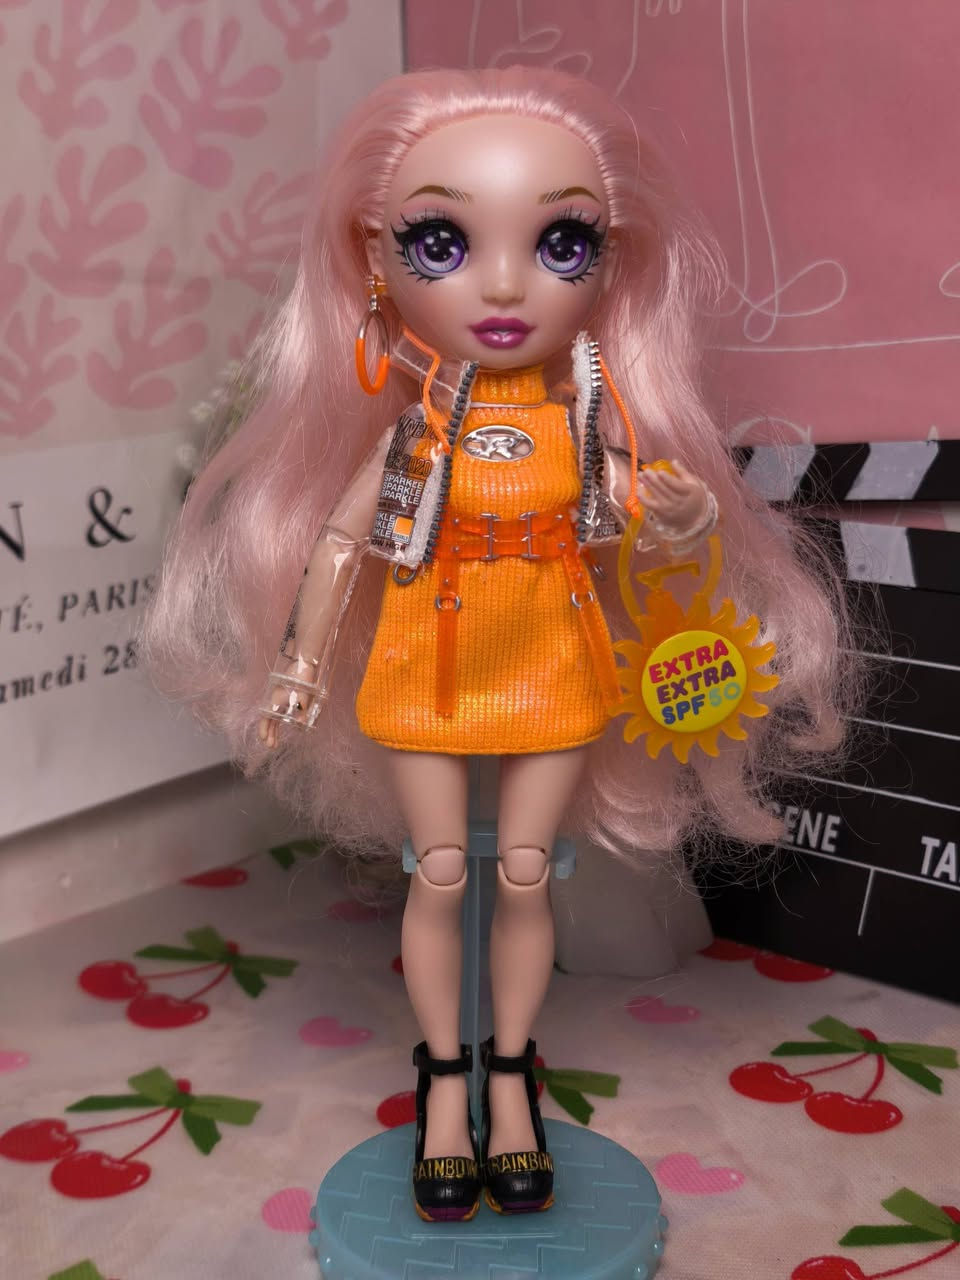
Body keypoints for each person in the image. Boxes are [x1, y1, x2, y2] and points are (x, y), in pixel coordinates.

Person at [143, 67, 852, 1223]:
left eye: (563, 242)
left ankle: (511, 1080)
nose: (509, 283)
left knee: (525, 874)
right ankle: (443, 1086)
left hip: (554, 673)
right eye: (443, 241)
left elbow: (650, 531)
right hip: (422, 672)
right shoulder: (412, 441)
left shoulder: (584, 424)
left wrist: (679, 521)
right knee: (438, 873)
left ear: (610, 261)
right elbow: (337, 546)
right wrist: (298, 671)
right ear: (375, 259)